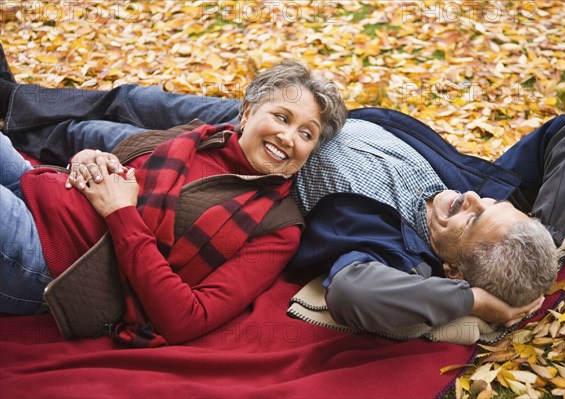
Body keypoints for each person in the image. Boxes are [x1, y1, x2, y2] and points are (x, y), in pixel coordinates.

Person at [1, 52, 565, 333]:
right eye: (491, 205)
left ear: (449, 265)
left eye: (471, 221)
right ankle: (18, 106)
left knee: (112, 133)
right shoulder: (484, 190)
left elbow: (359, 293)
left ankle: (31, 123)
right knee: (133, 101)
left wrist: (476, 302)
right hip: (300, 116)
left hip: (282, 151)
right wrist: (539, 230)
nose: (469, 200)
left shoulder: (388, 247)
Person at [0, 60, 348, 346]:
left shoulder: (278, 228)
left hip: (51, 258)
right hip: (40, 186)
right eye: (282, 117)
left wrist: (121, 214)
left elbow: (187, 319)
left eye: (306, 134)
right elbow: (117, 164)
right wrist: (88, 158)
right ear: (247, 113)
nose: (288, 137)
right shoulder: (198, 138)